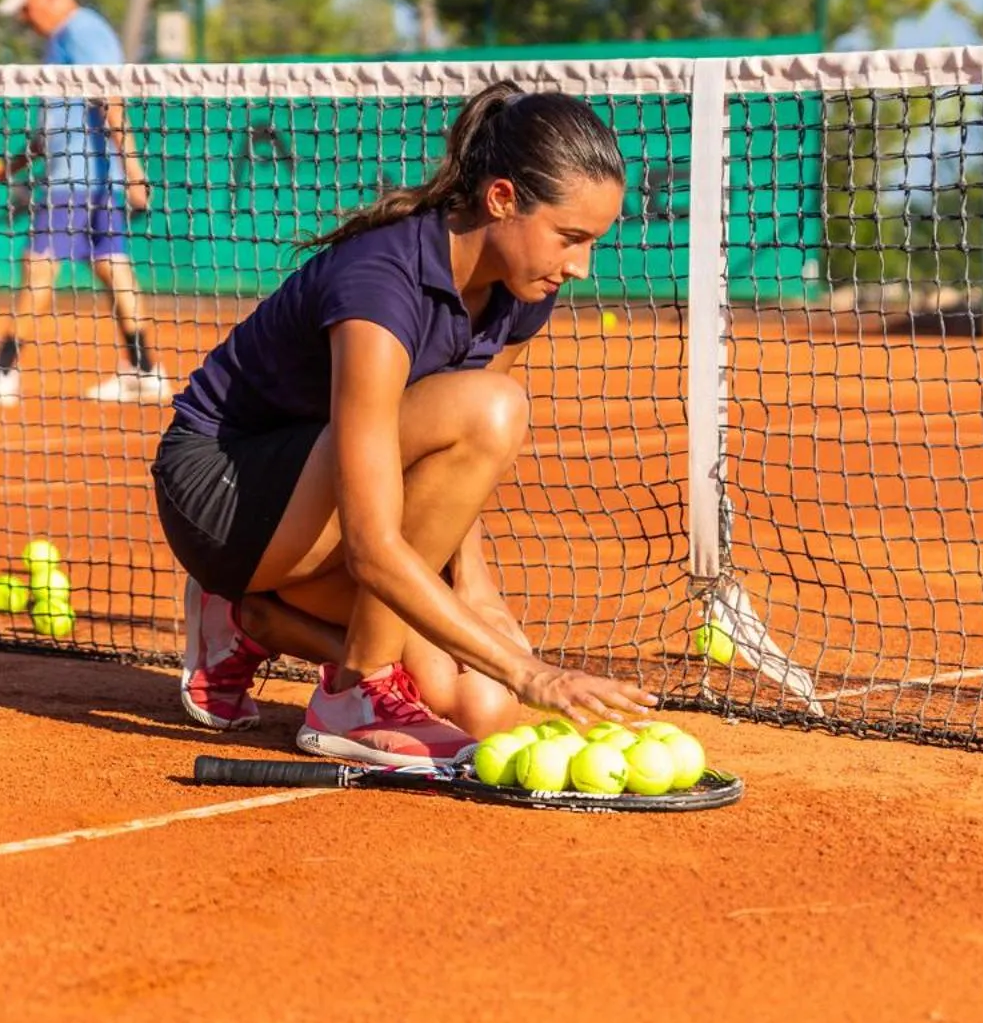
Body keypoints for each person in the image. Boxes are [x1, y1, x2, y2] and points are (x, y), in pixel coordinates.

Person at [152, 81, 657, 768]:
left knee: (476, 703)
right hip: (227, 493)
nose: (580, 265)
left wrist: (476, 590)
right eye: (570, 237)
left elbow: (451, 458)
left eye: (593, 242)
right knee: (495, 410)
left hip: (327, 492)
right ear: (501, 199)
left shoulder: (522, 288)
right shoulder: (379, 286)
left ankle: (253, 619)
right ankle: (351, 693)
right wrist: (531, 670)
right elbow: (372, 542)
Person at [0, 0, 169, 406]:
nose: (24, 20)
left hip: (80, 179)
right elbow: (56, 127)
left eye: (26, 9)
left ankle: (2, 370)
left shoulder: (82, 31)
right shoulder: (67, 39)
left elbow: (111, 99)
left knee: (38, 263)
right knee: (111, 265)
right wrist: (14, 166)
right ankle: (144, 370)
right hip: (92, 177)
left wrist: (135, 171)